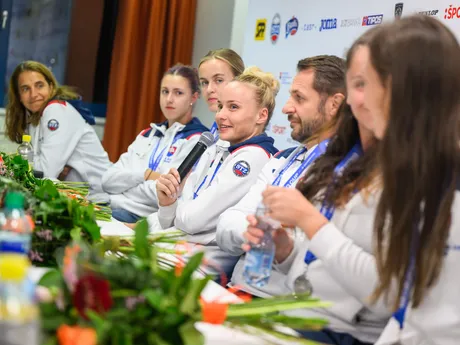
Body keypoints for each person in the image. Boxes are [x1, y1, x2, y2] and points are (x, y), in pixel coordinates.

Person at [242, 29, 392, 345]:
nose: (354, 97)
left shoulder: (407, 175)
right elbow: (321, 263)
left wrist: (310, 221)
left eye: (365, 84)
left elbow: (384, 293)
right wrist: (286, 251)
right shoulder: (344, 162)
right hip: (299, 313)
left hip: (344, 334)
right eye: (354, 83)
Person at [360, 15, 460, 345]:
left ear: (397, 90)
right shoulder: (416, 173)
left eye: (366, 83)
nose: (358, 99)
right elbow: (410, 312)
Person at [216, 55, 347, 296]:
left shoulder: (347, 171)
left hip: (280, 306)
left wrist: (282, 245)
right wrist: (251, 232)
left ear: (334, 105)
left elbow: (324, 263)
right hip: (236, 289)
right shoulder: (282, 159)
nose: (286, 107)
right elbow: (226, 224)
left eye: (299, 98)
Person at [149, 66, 279, 278]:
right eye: (220, 106)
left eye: (233, 107)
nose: (220, 115)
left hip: (197, 268)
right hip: (174, 251)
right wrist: (169, 203)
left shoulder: (253, 157)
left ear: (261, 115)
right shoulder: (218, 148)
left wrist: (178, 207)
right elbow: (170, 220)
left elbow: (191, 221)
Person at [101, 64, 209, 223]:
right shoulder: (147, 134)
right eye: (165, 91)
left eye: (178, 93)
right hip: (111, 206)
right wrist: (147, 175)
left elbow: (167, 194)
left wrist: (126, 186)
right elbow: (108, 181)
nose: (169, 99)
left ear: (193, 97)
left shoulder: (197, 141)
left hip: (142, 219)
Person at [5, 61, 111, 203]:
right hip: (76, 198)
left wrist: (28, 163)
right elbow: (37, 170)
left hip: (98, 200)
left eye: (39, 85)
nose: (33, 94)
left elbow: (45, 173)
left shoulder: (56, 110)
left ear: (51, 86)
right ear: (19, 96)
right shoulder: (33, 118)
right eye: (25, 89)